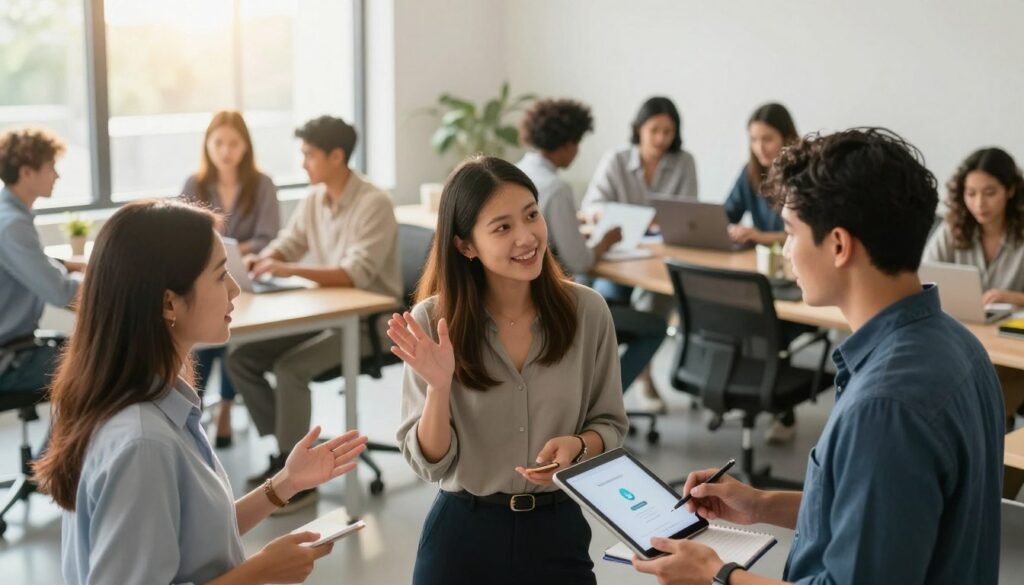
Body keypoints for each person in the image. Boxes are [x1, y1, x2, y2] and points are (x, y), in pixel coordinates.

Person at [632, 128, 1004, 585]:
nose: (785, 251)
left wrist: (717, 576)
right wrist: (762, 505)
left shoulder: (884, 407)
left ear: (839, 245)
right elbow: (884, 513)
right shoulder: (959, 345)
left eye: (789, 233)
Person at [33, 199, 368, 585]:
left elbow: (195, 537)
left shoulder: (155, 401)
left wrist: (285, 483)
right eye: (220, 274)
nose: (235, 289)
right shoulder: (143, 443)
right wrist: (261, 570)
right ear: (169, 303)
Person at [392, 156, 628, 585]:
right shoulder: (431, 321)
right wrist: (439, 388)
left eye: (532, 216)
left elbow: (610, 424)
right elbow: (431, 464)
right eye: (502, 227)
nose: (527, 237)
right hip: (462, 534)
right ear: (465, 245)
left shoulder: (588, 312)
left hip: (556, 529)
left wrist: (578, 444)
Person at [228, 115, 401, 509]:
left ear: (336, 156)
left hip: (366, 321)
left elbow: (356, 273)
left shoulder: (373, 202)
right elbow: (289, 243)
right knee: (242, 358)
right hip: (324, 311)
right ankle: (290, 456)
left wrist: (288, 269)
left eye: (309, 154)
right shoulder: (315, 198)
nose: (303, 162)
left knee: (291, 370)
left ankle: (299, 482)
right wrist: (262, 259)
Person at [517, 97, 667, 406]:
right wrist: (606, 241)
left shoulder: (517, 173)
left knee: (608, 295)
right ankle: (600, 403)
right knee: (655, 327)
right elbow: (579, 260)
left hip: (524, 301)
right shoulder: (556, 190)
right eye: (578, 143)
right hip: (554, 305)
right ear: (566, 144)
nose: (577, 151)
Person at [923, 147, 1024, 481]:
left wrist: (1014, 298)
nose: (980, 203)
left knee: (985, 407)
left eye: (990, 193)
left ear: (1010, 190)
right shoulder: (954, 229)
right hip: (962, 341)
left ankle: (993, 486)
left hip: (1011, 354)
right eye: (971, 193)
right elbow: (921, 277)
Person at [182, 110, 281, 448]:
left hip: (250, 279)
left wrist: (236, 252)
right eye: (218, 142)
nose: (225, 151)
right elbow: (182, 236)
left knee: (235, 339)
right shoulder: (194, 184)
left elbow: (269, 235)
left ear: (245, 146)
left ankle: (224, 408)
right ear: (207, 145)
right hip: (207, 280)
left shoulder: (262, 184)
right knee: (205, 336)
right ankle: (189, 411)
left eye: (233, 143)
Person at [0, 127, 82, 394]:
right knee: (100, 365)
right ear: (26, 172)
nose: (56, 175)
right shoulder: (12, 224)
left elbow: (24, 262)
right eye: (50, 167)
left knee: (88, 354)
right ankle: (62, 439)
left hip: (16, 345)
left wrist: (68, 265)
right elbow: (60, 293)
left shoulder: (8, 213)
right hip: (8, 358)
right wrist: (112, 281)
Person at [582, 96, 698, 209]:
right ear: (639, 128)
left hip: (670, 229)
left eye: (667, 132)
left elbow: (689, 214)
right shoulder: (616, 159)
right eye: (654, 130)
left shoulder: (685, 162)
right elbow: (592, 205)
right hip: (621, 228)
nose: (660, 138)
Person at [724, 103, 798, 246]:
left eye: (767, 139)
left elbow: (804, 235)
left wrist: (761, 237)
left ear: (787, 138)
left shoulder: (803, 174)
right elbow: (727, 214)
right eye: (754, 140)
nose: (759, 148)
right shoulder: (750, 172)